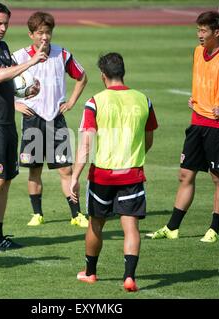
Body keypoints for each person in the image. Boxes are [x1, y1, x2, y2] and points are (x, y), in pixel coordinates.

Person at [146, 11, 219, 243]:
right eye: (198, 30)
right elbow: (204, 82)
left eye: (204, 31)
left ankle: (214, 229)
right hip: (196, 123)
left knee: (218, 177)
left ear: (217, 32)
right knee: (185, 174)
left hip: (217, 126)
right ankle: (172, 228)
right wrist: (197, 99)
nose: (199, 35)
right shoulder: (198, 52)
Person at [70, 52, 158, 292]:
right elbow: (148, 139)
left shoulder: (95, 101)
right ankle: (129, 277)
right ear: (123, 72)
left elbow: (86, 144)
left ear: (103, 75)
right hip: (132, 173)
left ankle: (90, 272)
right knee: (131, 227)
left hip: (102, 176)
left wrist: (75, 177)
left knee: (95, 225)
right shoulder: (143, 99)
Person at [0, 3, 47, 252]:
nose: (3, 28)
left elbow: (10, 81)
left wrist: (25, 90)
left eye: (6, 23)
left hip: (6, 120)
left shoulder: (2, 47)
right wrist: (32, 61)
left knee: (7, 178)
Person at [12, 12, 89, 228]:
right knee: (34, 170)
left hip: (56, 120)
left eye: (48, 32)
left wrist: (71, 101)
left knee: (66, 170)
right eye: (40, 33)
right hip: (32, 120)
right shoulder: (18, 57)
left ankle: (77, 214)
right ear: (31, 35)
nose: (44, 37)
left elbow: (82, 77)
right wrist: (14, 104)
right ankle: (37, 214)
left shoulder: (62, 54)